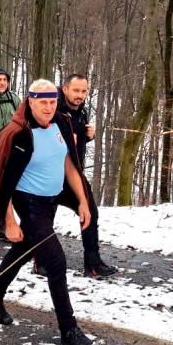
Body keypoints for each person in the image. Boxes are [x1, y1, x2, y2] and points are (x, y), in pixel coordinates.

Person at [0, 79, 96, 345]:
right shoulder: (17, 134)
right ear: (30, 101)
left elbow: (69, 163)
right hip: (27, 201)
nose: (48, 107)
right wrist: (8, 220)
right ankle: (69, 330)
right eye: (43, 102)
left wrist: (83, 201)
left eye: (53, 102)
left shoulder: (61, 124)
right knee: (56, 262)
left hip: (51, 199)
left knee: (25, 246)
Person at [49, 74, 118, 278]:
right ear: (65, 89)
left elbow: (76, 142)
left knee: (90, 213)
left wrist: (89, 137)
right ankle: (40, 261)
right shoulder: (54, 110)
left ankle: (93, 264)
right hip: (51, 173)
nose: (80, 95)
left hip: (75, 173)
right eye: (76, 90)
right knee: (45, 220)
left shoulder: (82, 112)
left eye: (83, 91)